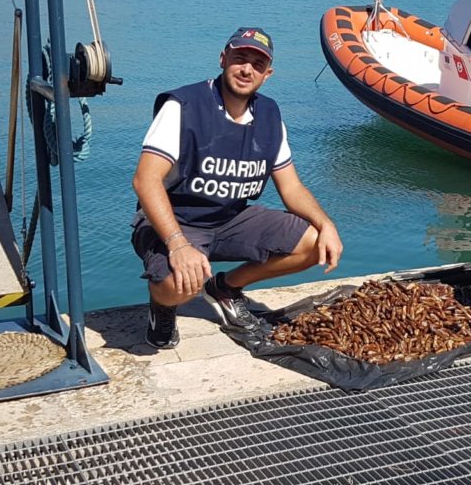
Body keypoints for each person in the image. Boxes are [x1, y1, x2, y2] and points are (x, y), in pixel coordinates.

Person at [131, 27, 343, 349]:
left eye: (257, 64)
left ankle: (226, 287)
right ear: (223, 59)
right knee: (181, 283)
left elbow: (292, 187)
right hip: (176, 219)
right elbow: (145, 180)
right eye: (239, 58)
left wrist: (327, 224)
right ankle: (162, 309)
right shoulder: (184, 105)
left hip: (229, 218)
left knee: (315, 243)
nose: (247, 69)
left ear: (267, 74)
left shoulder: (270, 115)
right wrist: (177, 244)